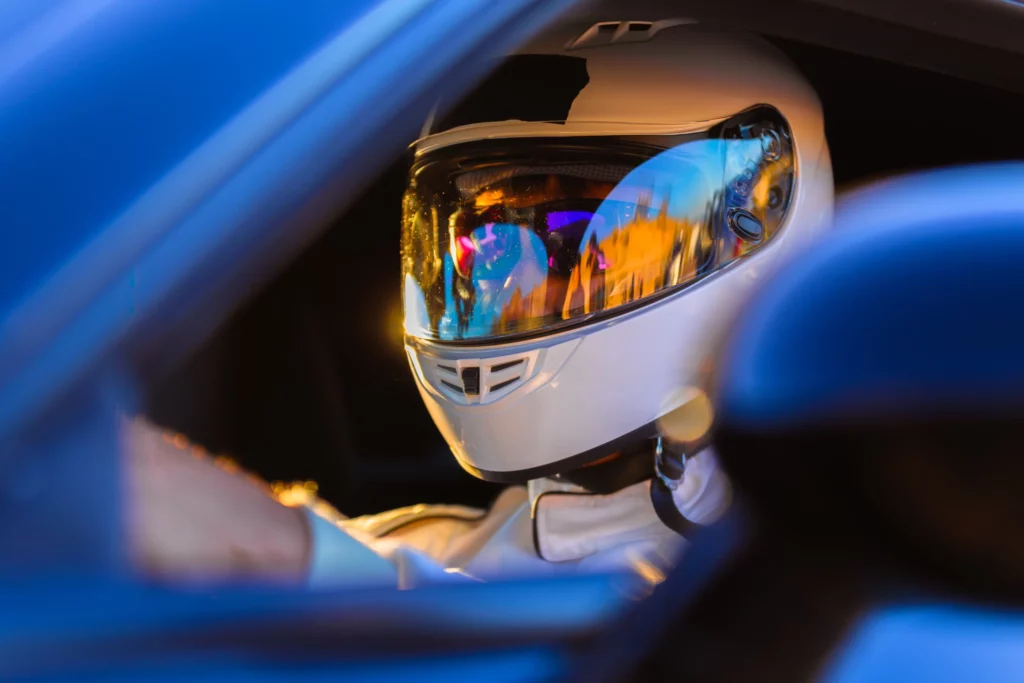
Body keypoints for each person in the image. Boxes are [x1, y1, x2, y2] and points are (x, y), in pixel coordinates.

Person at [127, 23, 834, 589]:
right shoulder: (431, 542)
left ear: (755, 226)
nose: (515, 288)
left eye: (589, 239)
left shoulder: (809, 584)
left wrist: (275, 548)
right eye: (490, 245)